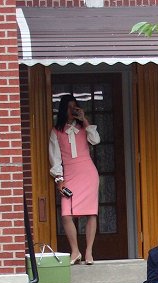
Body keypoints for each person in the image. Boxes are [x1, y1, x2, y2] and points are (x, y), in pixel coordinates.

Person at [49, 94, 101, 266]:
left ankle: (89, 251)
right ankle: (75, 250)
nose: (72, 110)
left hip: (88, 172)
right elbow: (55, 157)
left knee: (91, 213)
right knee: (66, 214)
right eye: (69, 107)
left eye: (75, 107)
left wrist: (84, 119)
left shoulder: (84, 127)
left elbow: (96, 140)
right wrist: (59, 179)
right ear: (63, 109)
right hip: (69, 173)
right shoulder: (56, 131)